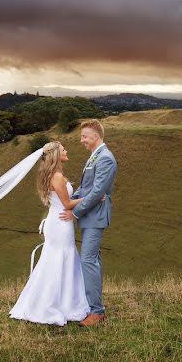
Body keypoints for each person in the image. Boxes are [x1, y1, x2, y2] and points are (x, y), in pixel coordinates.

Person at [8, 141, 91, 326]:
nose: (66, 150)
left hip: (58, 221)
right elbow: (68, 204)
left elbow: (65, 201)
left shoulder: (53, 175)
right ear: (55, 155)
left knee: (58, 259)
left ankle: (64, 302)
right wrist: (92, 197)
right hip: (60, 224)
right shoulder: (57, 177)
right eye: (63, 149)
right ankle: (54, 304)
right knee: (59, 259)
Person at [59, 119, 117, 327]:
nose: (81, 140)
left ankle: (97, 311)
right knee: (93, 260)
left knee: (88, 260)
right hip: (89, 215)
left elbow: (97, 192)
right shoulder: (95, 157)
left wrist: (75, 213)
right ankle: (94, 304)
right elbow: (86, 190)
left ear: (96, 136)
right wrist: (67, 202)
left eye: (84, 136)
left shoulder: (106, 158)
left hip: (95, 216)